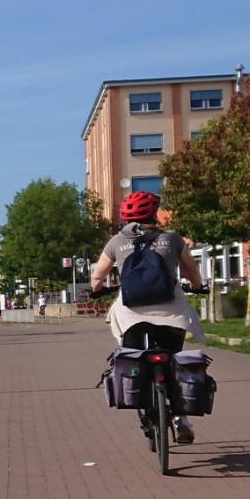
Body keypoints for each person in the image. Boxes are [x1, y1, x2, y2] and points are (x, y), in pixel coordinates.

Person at [89, 190, 207, 444]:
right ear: (155, 214)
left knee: (133, 357)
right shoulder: (172, 238)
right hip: (171, 313)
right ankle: (181, 419)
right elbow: (191, 270)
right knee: (174, 361)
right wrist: (197, 287)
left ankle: (140, 396)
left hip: (132, 315)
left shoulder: (116, 242)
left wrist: (96, 289)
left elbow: (97, 277)